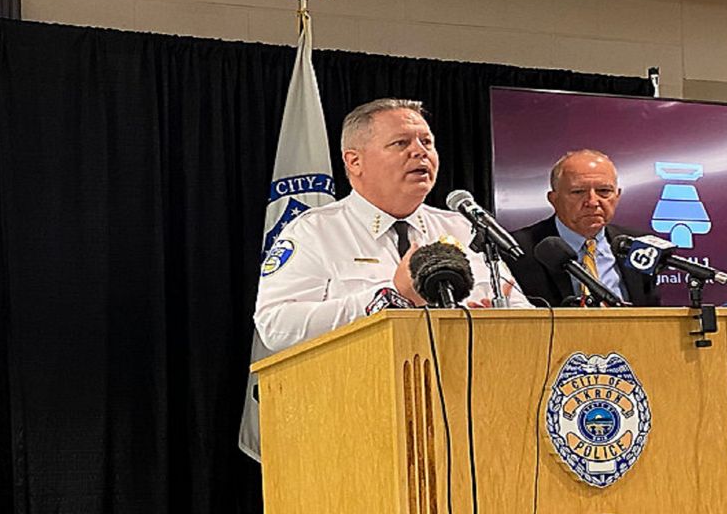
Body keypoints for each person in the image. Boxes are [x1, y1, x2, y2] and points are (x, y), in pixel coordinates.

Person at [255, 98, 530, 353]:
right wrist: (390, 297)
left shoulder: (462, 228)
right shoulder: (314, 232)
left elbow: (524, 314)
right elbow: (276, 326)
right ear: (354, 161)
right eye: (401, 143)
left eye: (427, 142)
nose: (419, 152)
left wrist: (495, 319)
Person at [508, 149, 660, 307]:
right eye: (578, 192)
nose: (593, 202)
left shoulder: (639, 246)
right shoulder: (517, 250)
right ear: (553, 199)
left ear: (617, 196)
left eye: (604, 191)